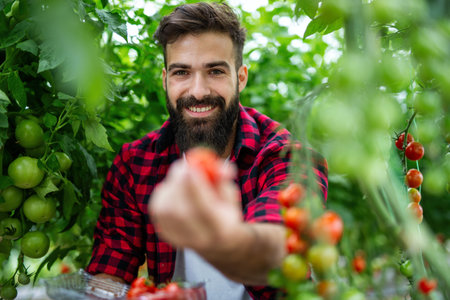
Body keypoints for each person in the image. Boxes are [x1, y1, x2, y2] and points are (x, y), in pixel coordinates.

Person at [86, 2, 328, 299]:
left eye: (215, 71)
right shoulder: (135, 164)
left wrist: (217, 238)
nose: (198, 91)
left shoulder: (286, 155)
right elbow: (110, 271)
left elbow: (279, 245)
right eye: (181, 73)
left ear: (240, 78)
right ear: (165, 80)